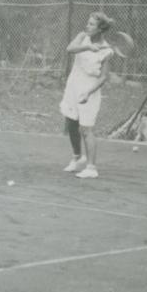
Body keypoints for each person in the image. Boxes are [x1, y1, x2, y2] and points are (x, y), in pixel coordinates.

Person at [60, 12, 114, 178]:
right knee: (70, 123)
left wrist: (88, 93)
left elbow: (104, 77)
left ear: (100, 29)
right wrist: (88, 47)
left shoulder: (107, 51)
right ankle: (77, 158)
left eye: (91, 24)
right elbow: (70, 49)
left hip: (89, 90)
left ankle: (91, 168)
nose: (87, 26)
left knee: (86, 129)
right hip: (73, 85)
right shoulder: (82, 36)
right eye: (88, 23)